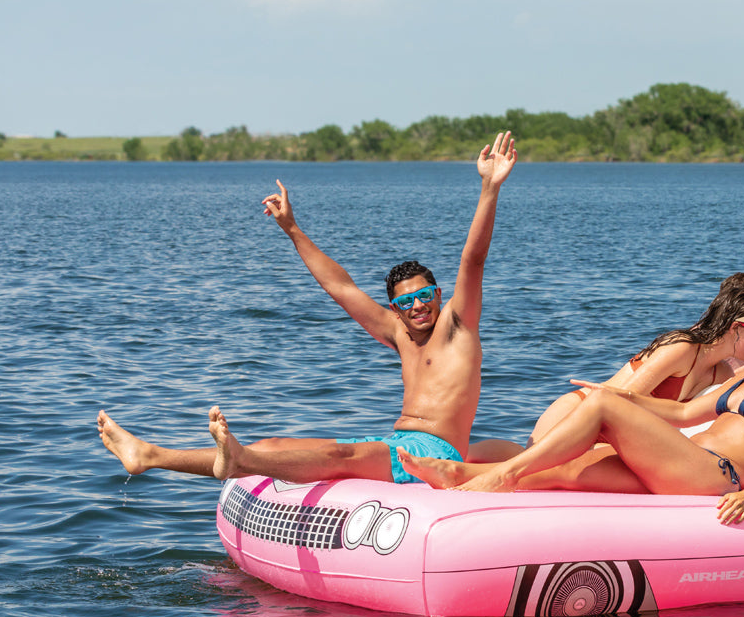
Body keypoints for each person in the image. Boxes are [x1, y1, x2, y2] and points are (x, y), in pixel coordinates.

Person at [97, 131, 518, 484]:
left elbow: (472, 259)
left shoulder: (457, 327)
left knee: (341, 455)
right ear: (395, 308)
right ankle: (149, 454)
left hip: (434, 452)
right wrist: (292, 229)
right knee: (273, 447)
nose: (418, 307)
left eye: (425, 296)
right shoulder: (399, 333)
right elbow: (340, 287)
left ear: (439, 295)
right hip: (394, 441)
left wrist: (490, 188)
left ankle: (238, 461)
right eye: (406, 302)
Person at [398, 281, 744, 526]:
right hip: (688, 461)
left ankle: (502, 475)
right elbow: (683, 413)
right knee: (572, 470)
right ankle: (458, 473)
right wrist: (619, 394)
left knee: (603, 413)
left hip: (717, 475)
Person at [468, 272, 744, 463]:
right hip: (581, 415)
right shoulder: (683, 348)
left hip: (612, 432)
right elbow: (622, 399)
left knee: (529, 464)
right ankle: (460, 457)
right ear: (735, 326)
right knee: (525, 460)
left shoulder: (722, 373)